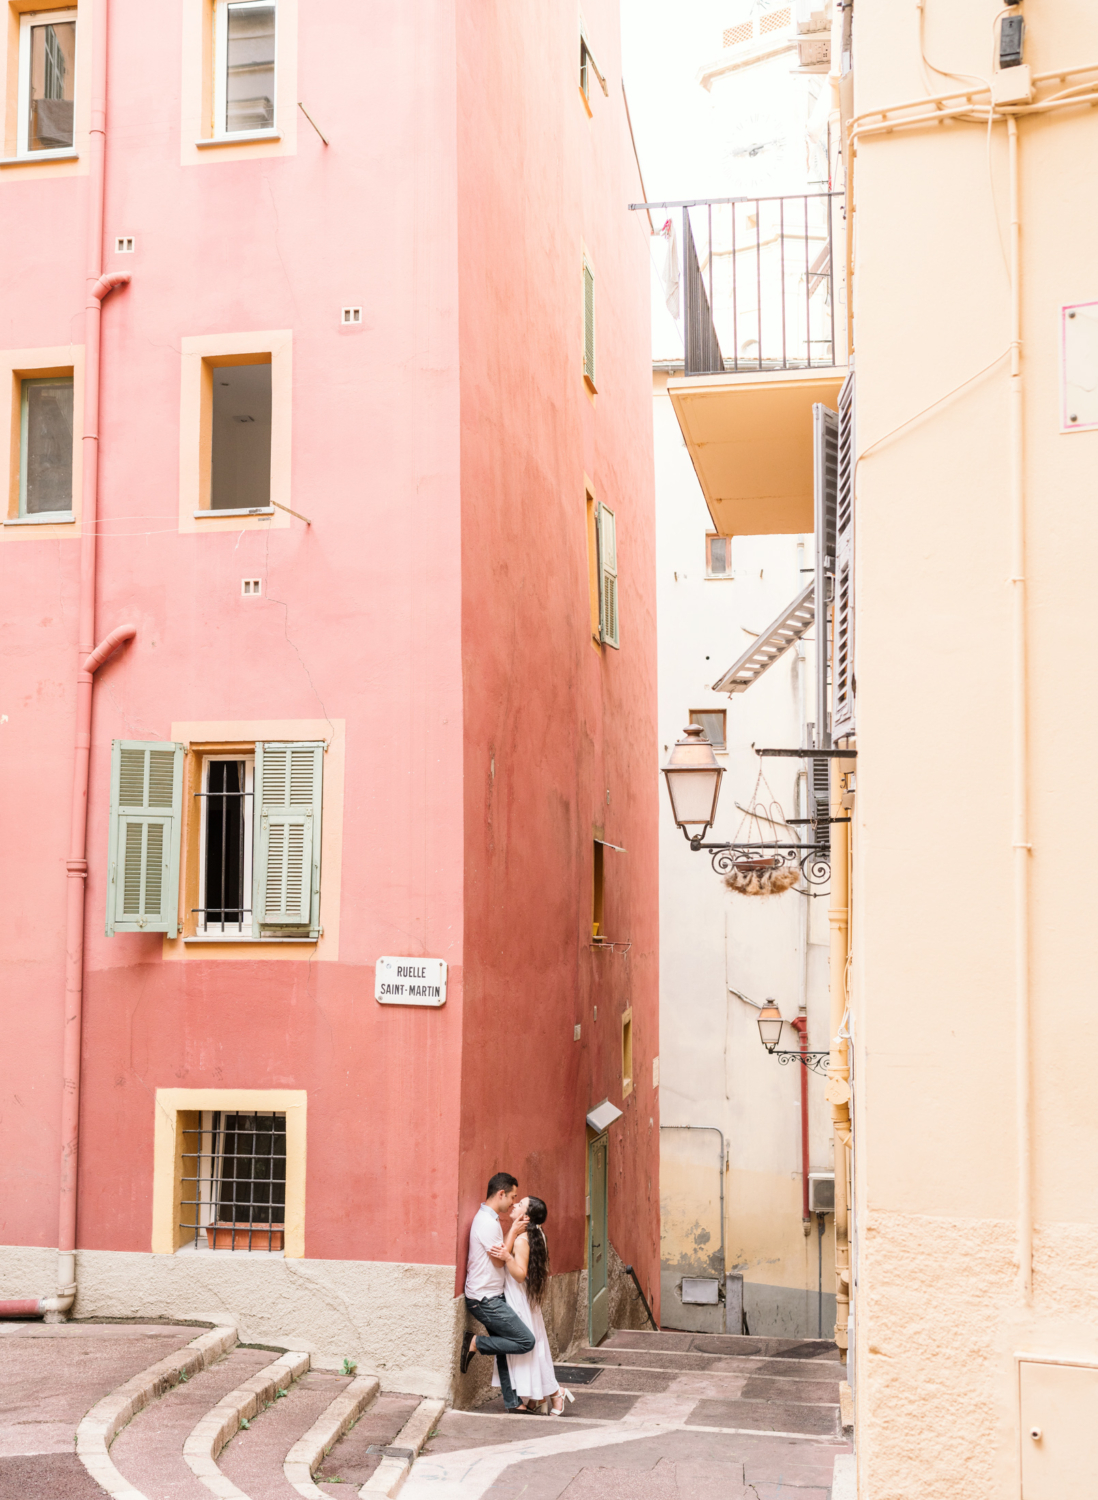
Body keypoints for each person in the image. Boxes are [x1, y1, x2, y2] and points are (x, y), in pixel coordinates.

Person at [491, 1195, 574, 1415]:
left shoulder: (521, 1240)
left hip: (519, 1300)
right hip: (526, 1301)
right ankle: (536, 1398)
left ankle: (556, 1393)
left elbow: (520, 1275)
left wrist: (507, 1257)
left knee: (529, 1351)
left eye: (520, 1204)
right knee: (534, 1350)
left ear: (526, 1216)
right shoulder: (537, 1235)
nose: (515, 1204)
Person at [461, 1172, 536, 1412]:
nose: (514, 1203)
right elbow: (499, 1262)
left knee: (503, 1347)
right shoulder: (486, 1222)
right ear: (500, 1193)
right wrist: (514, 1231)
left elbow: (499, 1254)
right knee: (525, 1341)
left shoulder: (490, 1220)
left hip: (491, 1295)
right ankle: (474, 1342)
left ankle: (513, 1402)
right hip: (484, 1299)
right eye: (512, 1197)